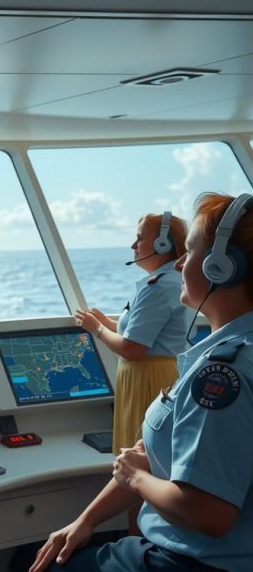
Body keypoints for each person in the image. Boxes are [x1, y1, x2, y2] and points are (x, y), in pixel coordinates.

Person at [32, 192, 253, 572]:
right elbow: (152, 454)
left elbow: (209, 513)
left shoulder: (220, 377)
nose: (180, 262)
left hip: (194, 561)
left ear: (221, 268)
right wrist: (86, 519)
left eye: (190, 251)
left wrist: (134, 478)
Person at [74, 212, 190, 453]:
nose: (133, 245)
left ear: (163, 244)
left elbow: (132, 348)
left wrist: (96, 328)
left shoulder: (158, 287)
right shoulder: (171, 281)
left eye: (140, 238)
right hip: (155, 374)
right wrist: (107, 323)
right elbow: (144, 332)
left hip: (148, 380)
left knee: (140, 457)